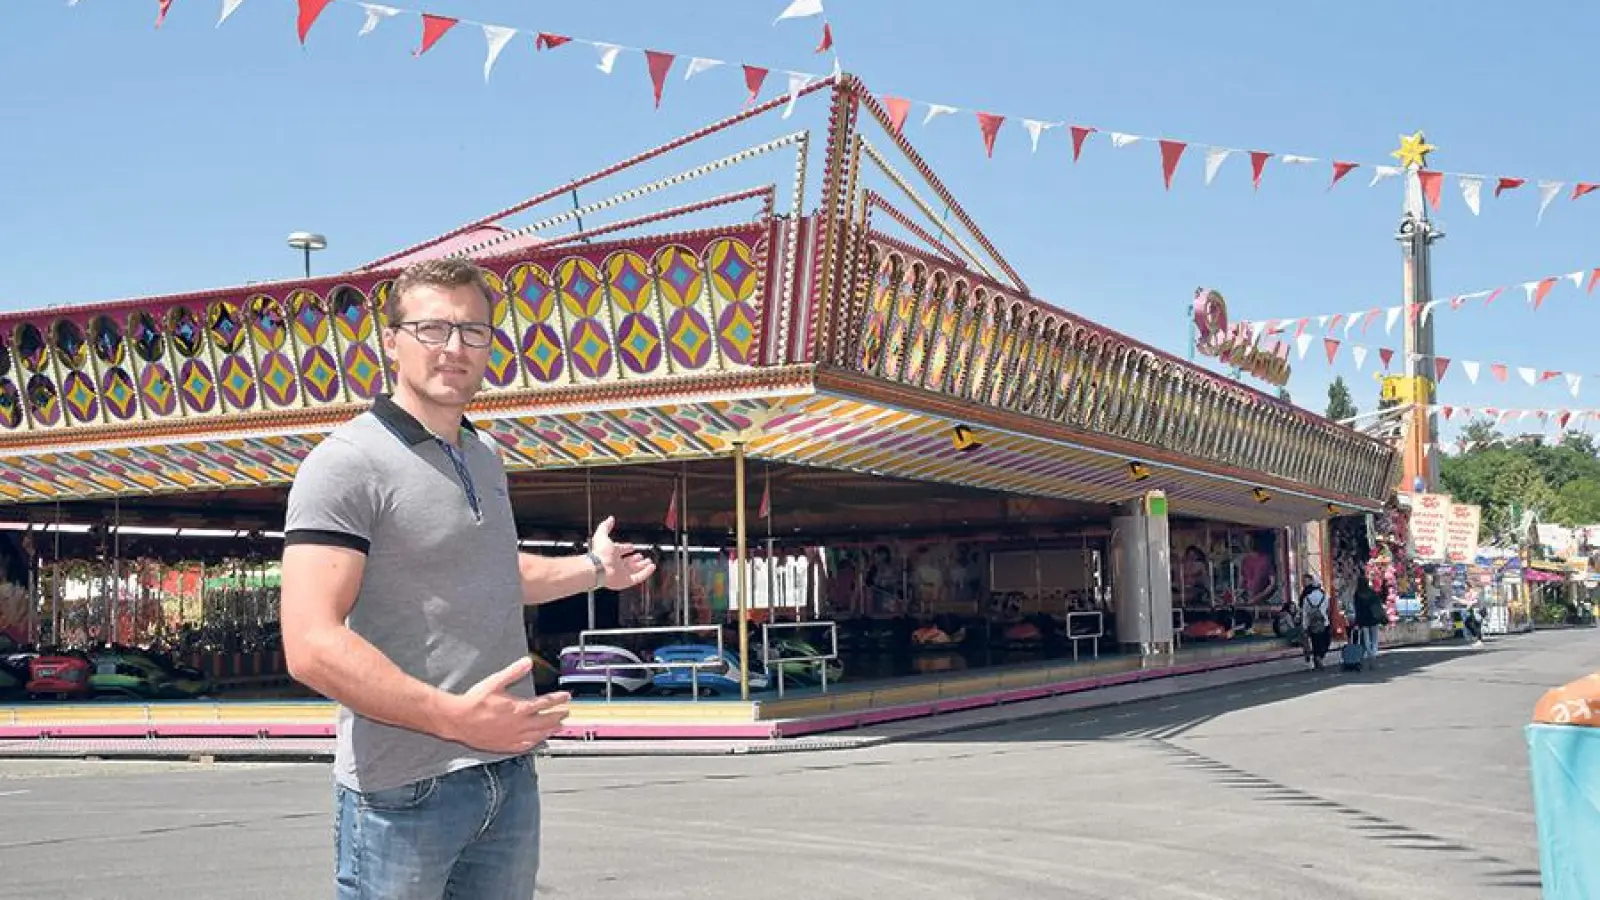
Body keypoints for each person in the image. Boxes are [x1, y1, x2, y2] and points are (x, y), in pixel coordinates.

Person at [279, 258, 655, 900]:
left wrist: (595, 570)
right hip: (404, 791)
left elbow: (490, 573)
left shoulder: (482, 456)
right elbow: (310, 643)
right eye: (433, 329)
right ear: (391, 341)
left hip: (506, 776)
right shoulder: (347, 464)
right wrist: (456, 719)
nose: (454, 348)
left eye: (473, 331)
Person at [1298, 573, 1332, 670]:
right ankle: (1319, 657)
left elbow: (1305, 613)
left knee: (1315, 642)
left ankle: (1316, 658)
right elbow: (1328, 610)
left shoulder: (1306, 598)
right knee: (1326, 641)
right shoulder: (1325, 596)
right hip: (1324, 622)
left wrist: (1304, 626)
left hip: (1312, 624)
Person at [1352, 577, 1387, 667]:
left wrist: (1357, 621)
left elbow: (1357, 609)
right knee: (1374, 637)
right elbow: (1378, 605)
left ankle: (1370, 653)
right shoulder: (1372, 593)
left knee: (1366, 638)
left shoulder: (1357, 594)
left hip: (1363, 619)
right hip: (1373, 618)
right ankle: (1374, 653)